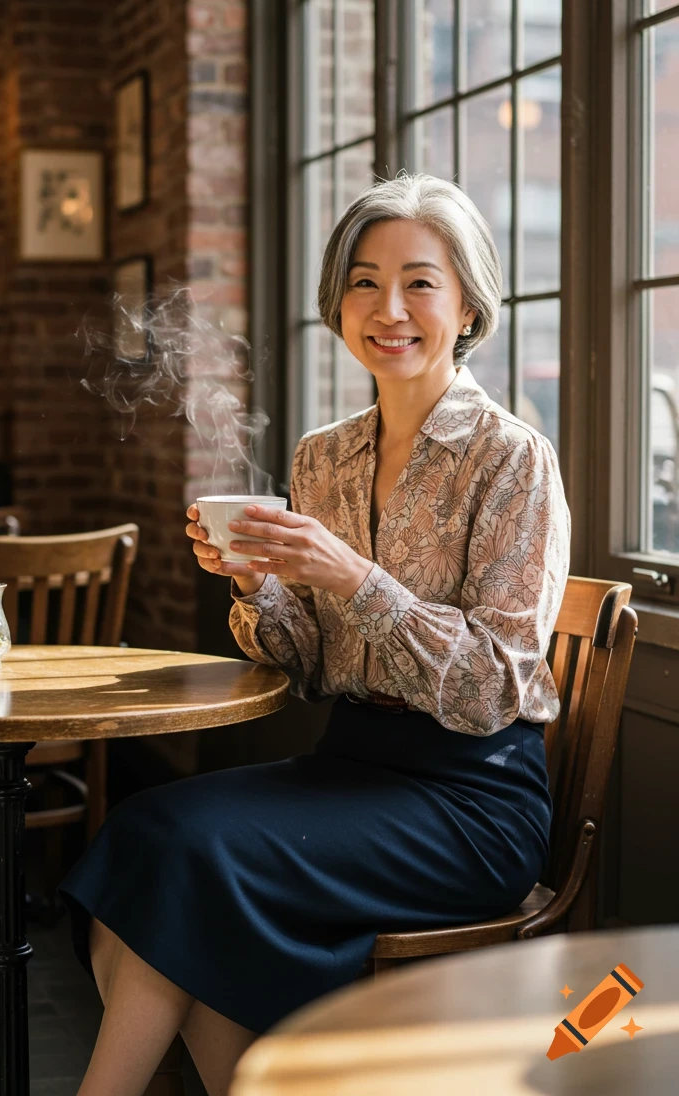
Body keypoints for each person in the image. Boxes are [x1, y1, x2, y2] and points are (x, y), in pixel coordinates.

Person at [59, 173, 571, 1096]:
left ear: (466, 306)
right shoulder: (322, 456)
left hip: (472, 802)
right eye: (364, 281)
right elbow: (306, 662)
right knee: (147, 834)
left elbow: (497, 684)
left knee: (189, 856)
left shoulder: (512, 458)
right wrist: (258, 582)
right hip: (352, 768)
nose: (389, 307)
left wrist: (352, 576)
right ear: (337, 303)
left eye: (420, 281)